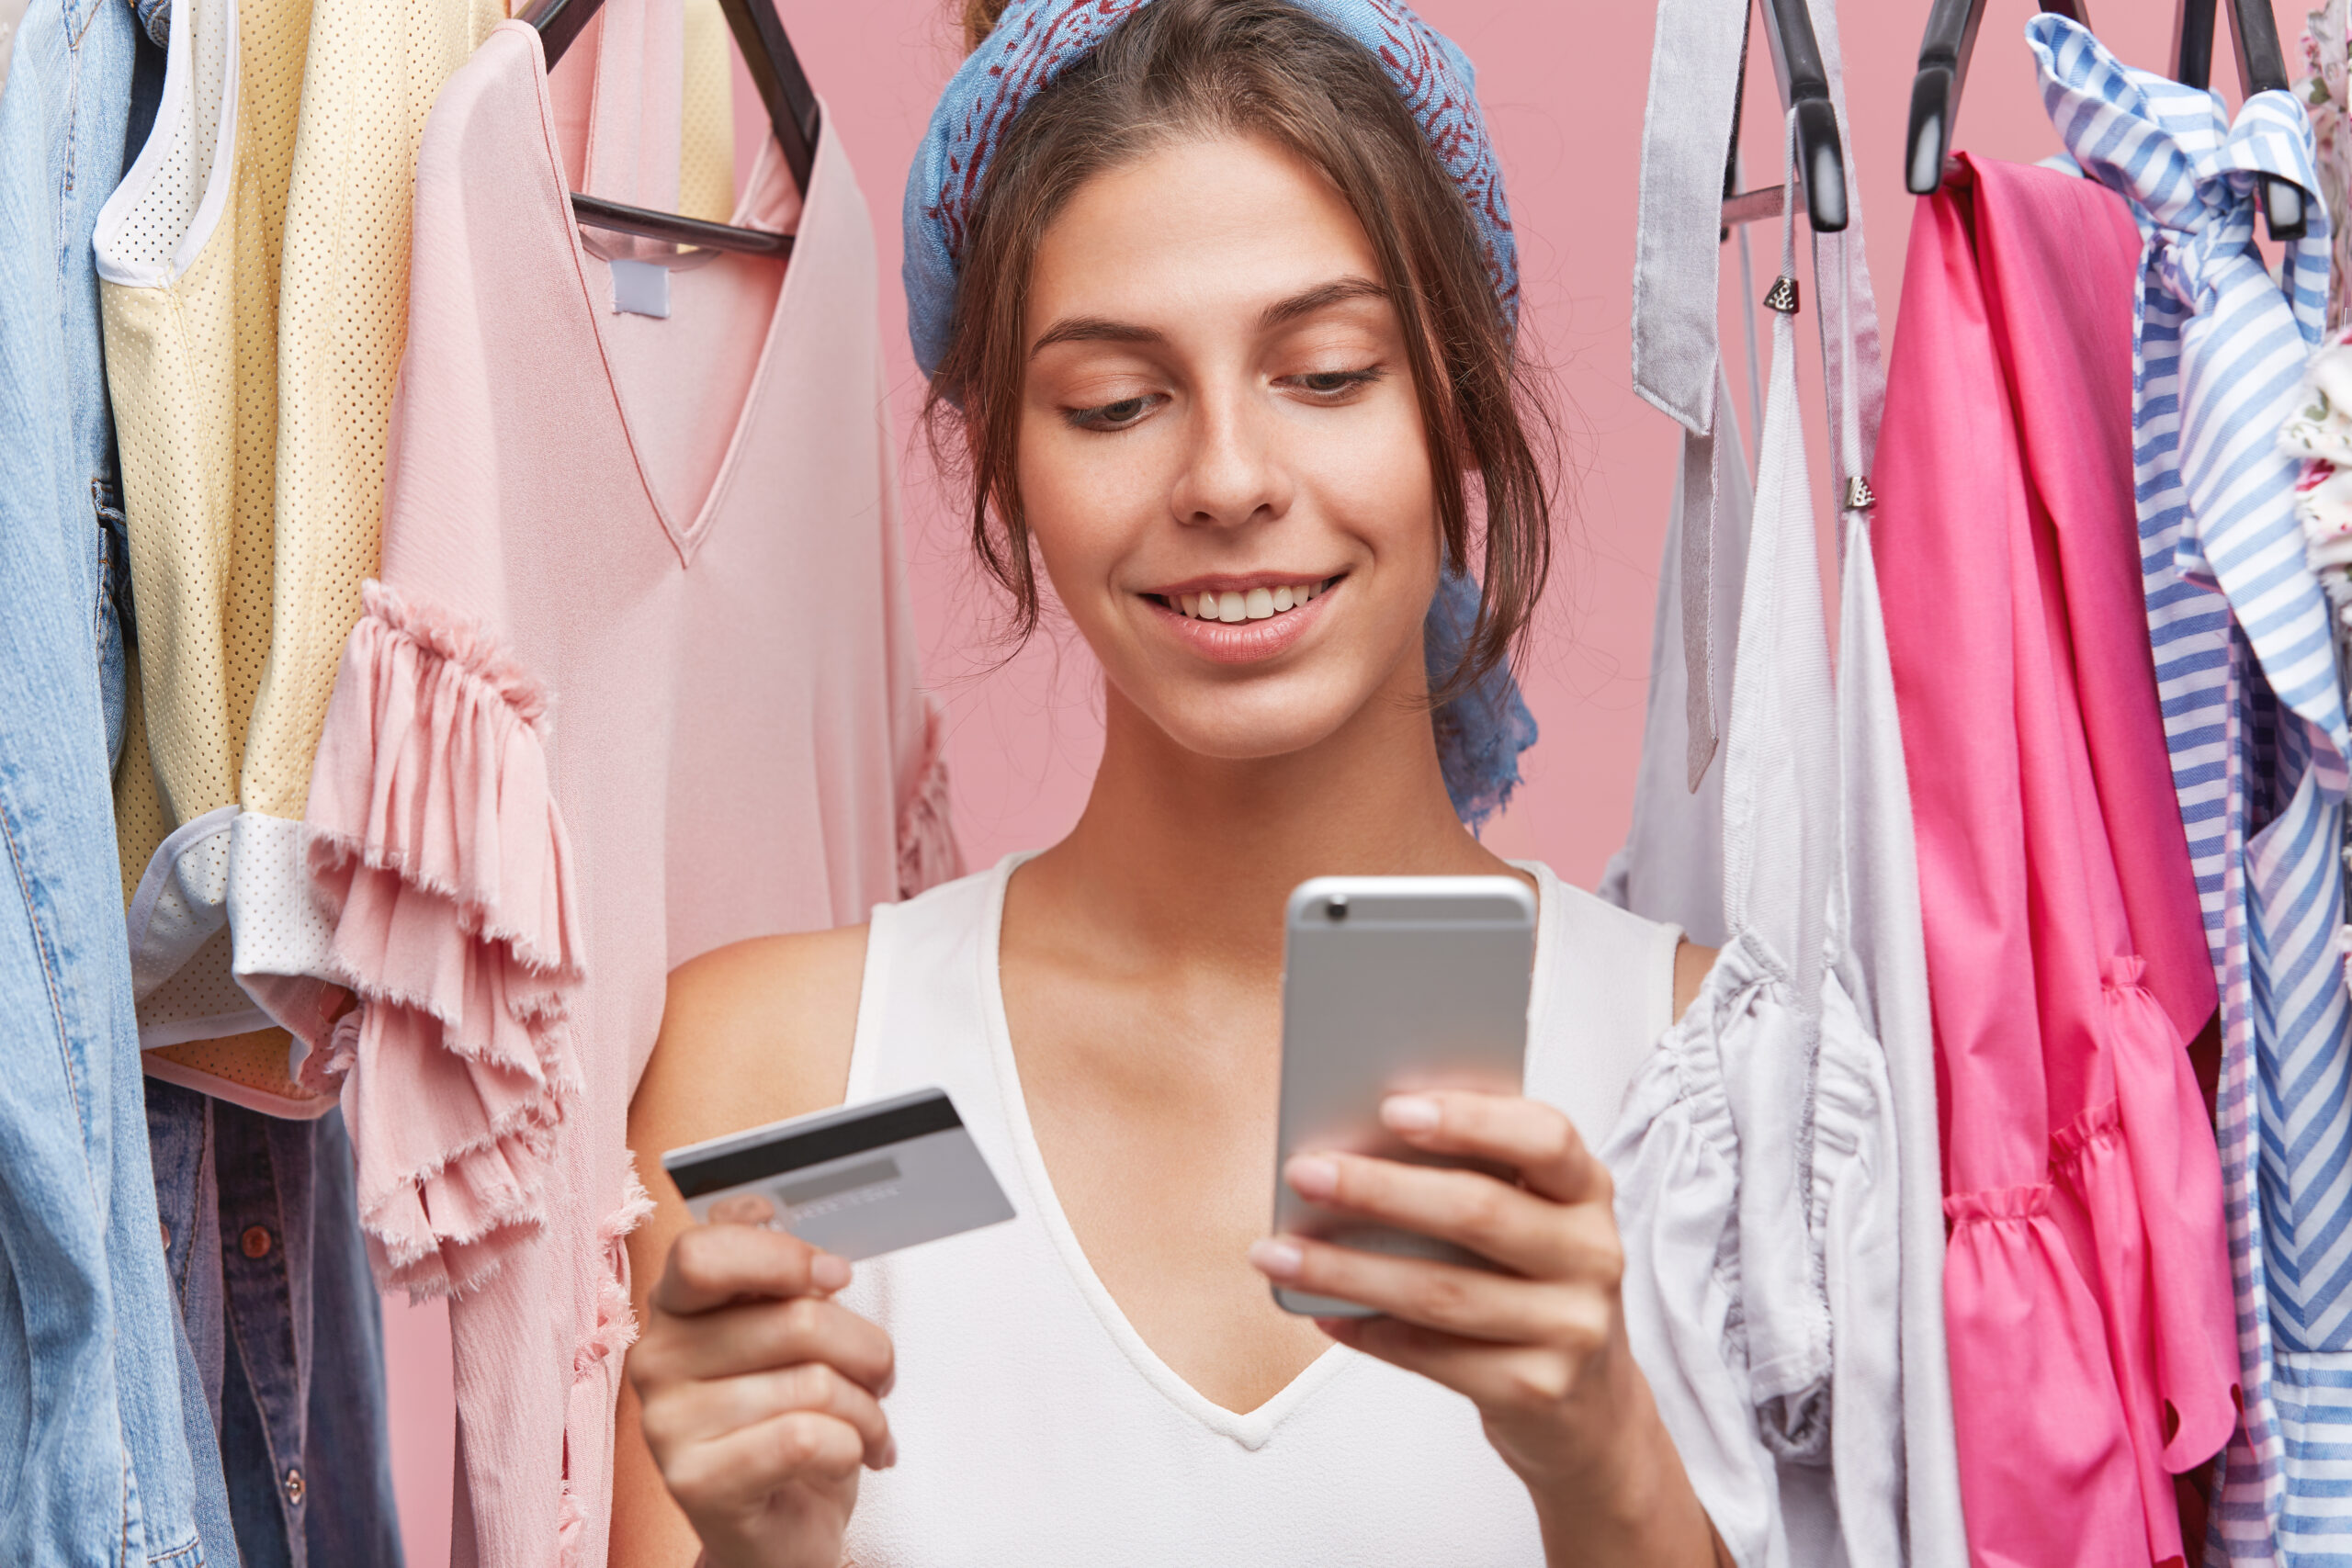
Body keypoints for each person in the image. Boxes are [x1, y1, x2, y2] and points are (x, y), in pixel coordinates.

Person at [613, 1, 1725, 1562]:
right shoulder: (781, 1073)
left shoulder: (1710, 1082)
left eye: (1328, 374)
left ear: (1455, 401)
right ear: (1006, 462)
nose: (1225, 479)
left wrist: (1605, 1471)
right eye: (1117, 404)